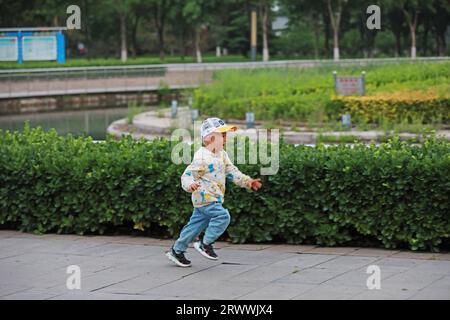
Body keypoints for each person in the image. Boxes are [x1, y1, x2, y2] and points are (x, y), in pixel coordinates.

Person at [166, 117, 262, 267]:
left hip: (212, 198)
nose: (225, 138)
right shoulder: (202, 157)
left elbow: (232, 172)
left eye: (225, 135)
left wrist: (248, 181)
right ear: (210, 138)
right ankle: (206, 243)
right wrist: (190, 185)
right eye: (222, 135)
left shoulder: (222, 154)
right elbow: (187, 175)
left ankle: (176, 251)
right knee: (223, 216)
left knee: (193, 227)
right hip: (205, 197)